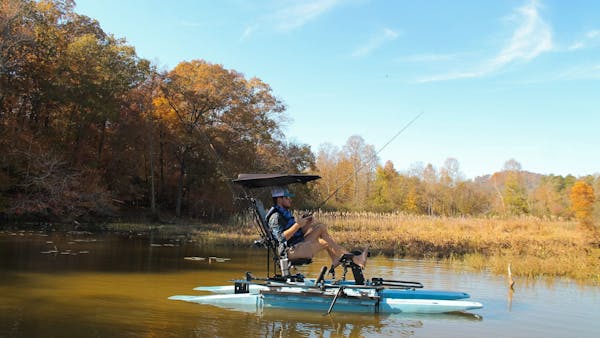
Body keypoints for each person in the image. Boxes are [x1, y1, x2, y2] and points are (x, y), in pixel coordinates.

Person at [267, 186, 368, 269]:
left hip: (297, 244)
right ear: (279, 199)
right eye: (287, 197)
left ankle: (335, 259)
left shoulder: (285, 212)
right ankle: (356, 260)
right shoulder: (275, 217)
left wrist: (306, 223)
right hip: (289, 251)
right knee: (326, 242)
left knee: (321, 227)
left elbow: (298, 234)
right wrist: (297, 225)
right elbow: (280, 238)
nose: (290, 199)